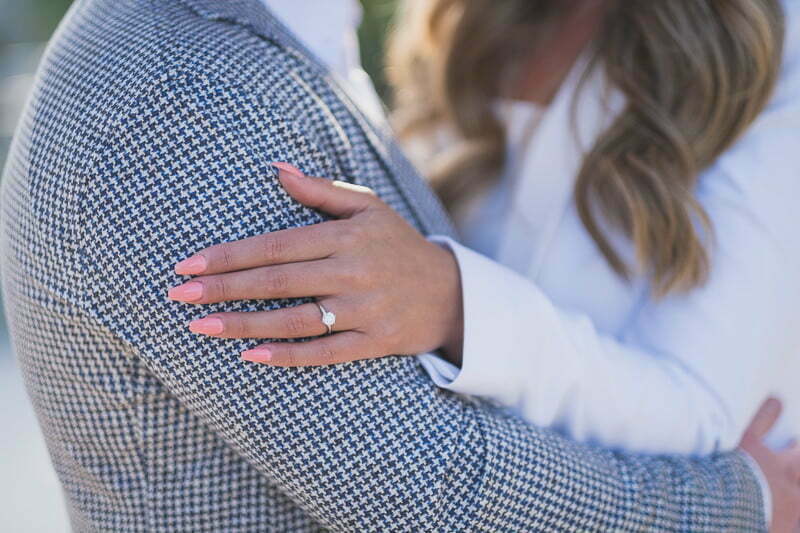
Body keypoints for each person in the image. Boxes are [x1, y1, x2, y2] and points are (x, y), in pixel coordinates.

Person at [1, 0, 798, 530]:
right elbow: (430, 485)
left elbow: (715, 409)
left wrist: (457, 301)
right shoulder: (188, 96)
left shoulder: (282, 53)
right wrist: (733, 503)